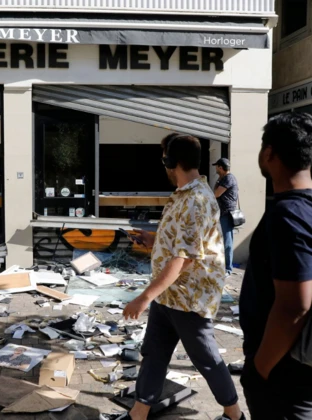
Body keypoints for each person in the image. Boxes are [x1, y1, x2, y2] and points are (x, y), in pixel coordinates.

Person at [122, 133, 244, 420]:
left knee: (207, 360)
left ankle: (235, 416)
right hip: (169, 297)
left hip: (190, 300)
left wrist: (143, 298)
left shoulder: (197, 200)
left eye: (163, 157)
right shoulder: (183, 196)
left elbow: (185, 258)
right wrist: (154, 240)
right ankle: (138, 415)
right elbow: (181, 242)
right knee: (153, 355)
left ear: (170, 161)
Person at [239, 112, 312, 419]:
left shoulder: (290, 214)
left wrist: (260, 368)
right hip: (306, 357)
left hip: (285, 368)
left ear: (269, 153)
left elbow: (295, 306)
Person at [213, 158, 239, 275]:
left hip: (227, 215)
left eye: (217, 167)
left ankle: (228, 269)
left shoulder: (228, 179)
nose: (215, 169)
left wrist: (219, 180)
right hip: (222, 214)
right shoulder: (224, 178)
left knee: (227, 243)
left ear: (220, 167)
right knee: (222, 242)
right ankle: (223, 267)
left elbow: (216, 194)